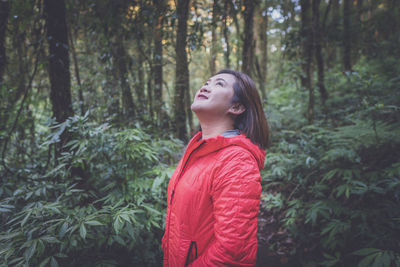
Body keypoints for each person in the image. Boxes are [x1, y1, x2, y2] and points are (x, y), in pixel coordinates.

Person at [162, 69, 269, 266]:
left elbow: (232, 253)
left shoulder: (236, 161)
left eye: (218, 84)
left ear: (236, 107)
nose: (206, 86)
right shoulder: (198, 151)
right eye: (206, 82)